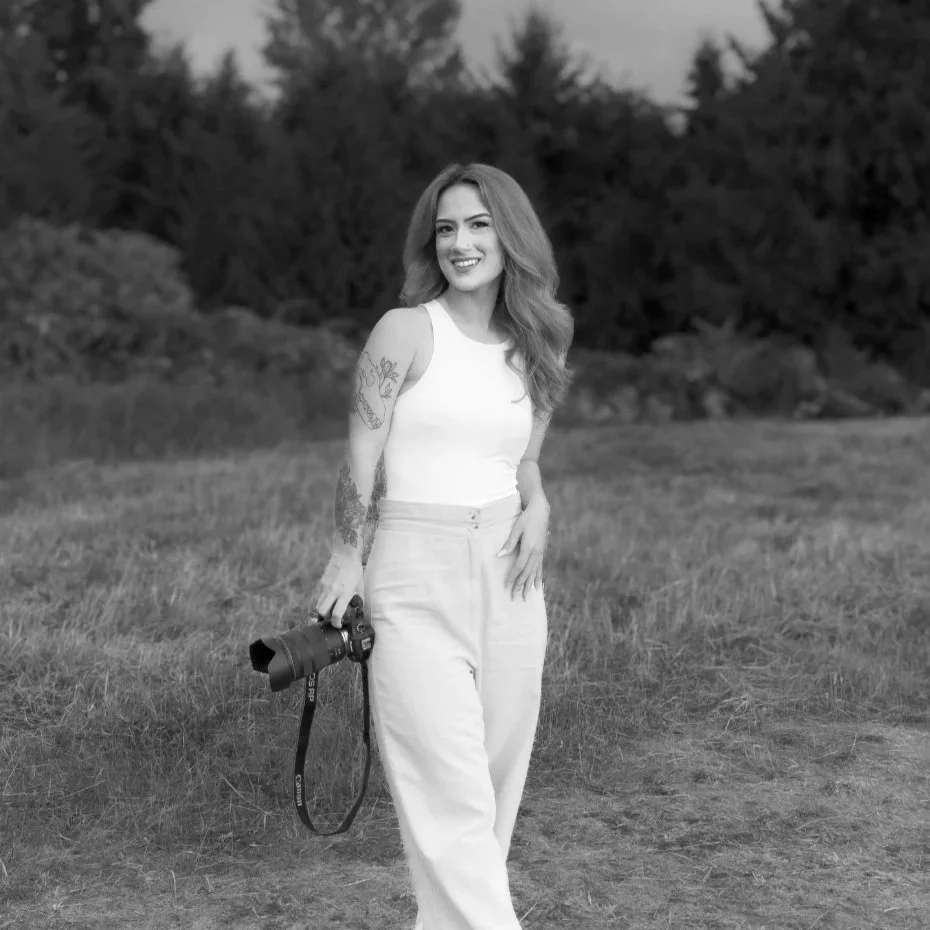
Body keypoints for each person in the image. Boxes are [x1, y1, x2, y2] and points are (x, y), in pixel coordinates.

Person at [313, 162, 574, 930]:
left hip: (511, 575)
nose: (461, 243)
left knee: (493, 789)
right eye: (447, 228)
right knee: (447, 793)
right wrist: (346, 552)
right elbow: (361, 450)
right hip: (413, 575)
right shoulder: (406, 330)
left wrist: (541, 504)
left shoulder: (539, 341)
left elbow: (523, 458)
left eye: (479, 225)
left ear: (512, 235)